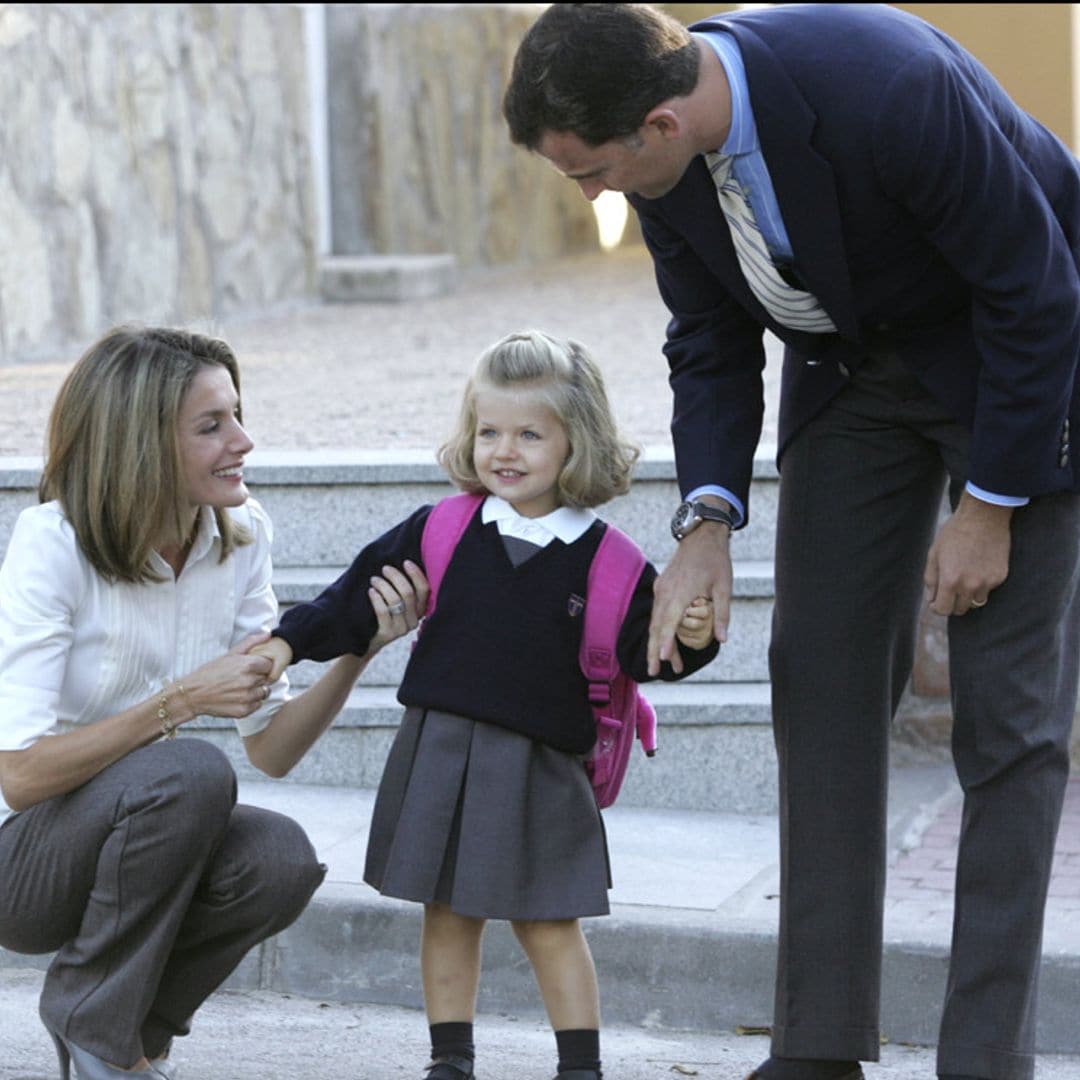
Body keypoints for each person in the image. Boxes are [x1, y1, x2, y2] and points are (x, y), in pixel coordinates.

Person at [503, 5, 1080, 1080]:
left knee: (1009, 717)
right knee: (816, 676)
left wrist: (992, 506)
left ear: (664, 123)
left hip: (1015, 363)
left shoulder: (887, 84)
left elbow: (1036, 288)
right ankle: (817, 1048)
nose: (591, 197)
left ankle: (985, 1060)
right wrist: (707, 523)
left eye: (591, 171)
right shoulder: (665, 169)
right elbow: (709, 339)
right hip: (854, 375)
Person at [253, 329, 719, 1080]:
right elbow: (352, 597)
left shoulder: (611, 562)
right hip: (438, 749)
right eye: (489, 430)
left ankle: (580, 1067)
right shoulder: (443, 530)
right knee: (447, 911)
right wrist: (284, 644)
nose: (504, 449)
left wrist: (692, 637)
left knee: (548, 922)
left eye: (530, 433)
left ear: (579, 442)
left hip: (541, 764)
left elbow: (647, 653)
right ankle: (451, 1060)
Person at [0, 325, 428, 1079]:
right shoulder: (53, 543)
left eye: (236, 414)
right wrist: (181, 701)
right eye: (211, 426)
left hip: (135, 832)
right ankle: (90, 1025)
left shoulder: (239, 535)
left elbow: (272, 747)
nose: (244, 441)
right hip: (22, 861)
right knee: (191, 770)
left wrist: (359, 650)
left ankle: (133, 1040)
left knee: (278, 860)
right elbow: (22, 778)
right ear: (141, 442)